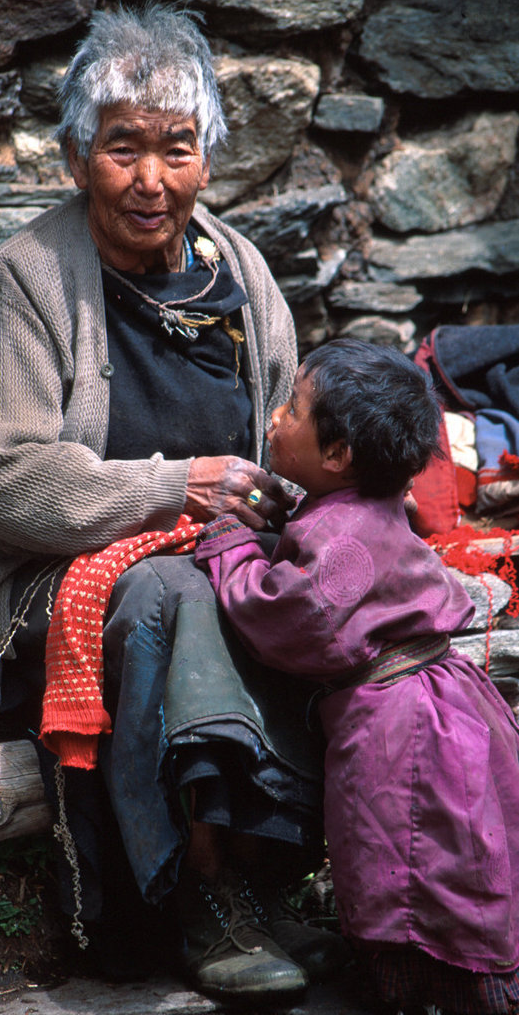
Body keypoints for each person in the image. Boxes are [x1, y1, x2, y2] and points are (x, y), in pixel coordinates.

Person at [0, 2, 349, 1006]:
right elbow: (0, 479)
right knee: (168, 592)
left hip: (202, 556)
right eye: (121, 148)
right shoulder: (26, 281)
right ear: (78, 157)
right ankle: (190, 890)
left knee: (277, 582)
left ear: (207, 160)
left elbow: (281, 437)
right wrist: (177, 486)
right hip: (37, 580)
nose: (149, 180)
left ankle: (269, 872)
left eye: (176, 149)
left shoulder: (240, 273)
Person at [194, 337, 519, 1015]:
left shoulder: (341, 538)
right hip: (440, 706)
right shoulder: (359, 513)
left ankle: (429, 991)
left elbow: (294, 617)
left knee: (410, 853)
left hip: (401, 727)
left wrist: (228, 550)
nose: (275, 418)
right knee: (457, 847)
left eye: (291, 408)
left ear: (339, 456)